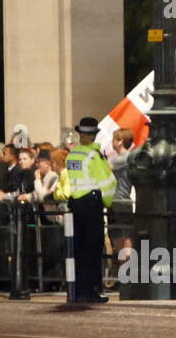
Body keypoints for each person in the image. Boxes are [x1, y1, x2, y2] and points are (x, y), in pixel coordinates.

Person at [55, 116, 115, 303]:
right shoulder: (94, 155)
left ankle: (78, 290)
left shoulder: (73, 155)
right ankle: (90, 291)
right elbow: (107, 182)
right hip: (91, 205)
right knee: (92, 249)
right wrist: (108, 202)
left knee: (79, 249)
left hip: (75, 204)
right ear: (94, 135)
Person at [108, 127, 135, 278]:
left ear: (120, 141)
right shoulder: (129, 158)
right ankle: (126, 275)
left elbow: (104, 169)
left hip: (118, 201)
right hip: (122, 201)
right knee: (123, 239)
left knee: (122, 241)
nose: (112, 143)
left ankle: (127, 275)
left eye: (113, 139)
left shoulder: (122, 159)